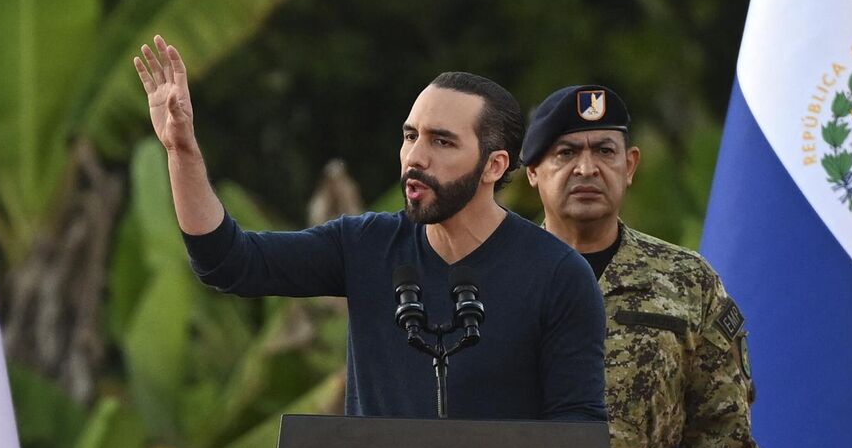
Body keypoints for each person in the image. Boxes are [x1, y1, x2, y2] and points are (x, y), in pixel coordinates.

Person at [132, 35, 606, 421]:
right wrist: (182, 153)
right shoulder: (364, 245)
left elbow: (576, 436)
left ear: (493, 165)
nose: (416, 157)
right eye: (410, 136)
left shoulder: (556, 273)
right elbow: (227, 262)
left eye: (442, 141)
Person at [521, 85, 769, 448]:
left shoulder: (685, 281)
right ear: (532, 171)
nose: (587, 167)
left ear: (629, 165)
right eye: (566, 153)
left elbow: (723, 430)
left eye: (604, 151)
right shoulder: (497, 277)